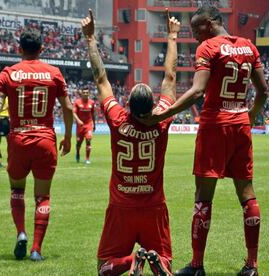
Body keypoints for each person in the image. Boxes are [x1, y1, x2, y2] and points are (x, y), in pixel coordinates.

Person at [141, 5, 268, 276]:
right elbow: (263, 91)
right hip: (240, 124)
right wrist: (251, 116)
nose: (195, 35)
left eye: (196, 29)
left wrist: (164, 113)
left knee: (203, 197)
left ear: (210, 24)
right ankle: (252, 265)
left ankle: (197, 266)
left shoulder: (208, 48)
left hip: (215, 125)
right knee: (247, 194)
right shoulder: (249, 47)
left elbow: (198, 91)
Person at [81, 9, 180, 276]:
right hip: (153, 206)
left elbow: (101, 79)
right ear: (153, 105)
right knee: (166, 263)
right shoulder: (161, 121)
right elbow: (170, 78)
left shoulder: (117, 119)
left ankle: (129, 262)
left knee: (104, 267)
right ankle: (158, 263)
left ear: (129, 105)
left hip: (121, 207)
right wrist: (172, 36)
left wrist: (91, 39)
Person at [0, 28, 73, 262]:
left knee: (17, 190)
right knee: (42, 197)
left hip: (18, 139)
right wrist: (67, 137)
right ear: (42, 49)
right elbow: (68, 107)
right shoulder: (54, 72)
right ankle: (36, 249)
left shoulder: (8, 73)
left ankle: (21, 233)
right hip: (45, 139)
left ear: (19, 49)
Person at [73, 88, 96, 164]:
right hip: (80, 126)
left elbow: (93, 114)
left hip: (88, 125)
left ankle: (87, 159)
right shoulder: (77, 102)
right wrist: (78, 120)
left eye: (87, 92)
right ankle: (77, 153)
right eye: (84, 92)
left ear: (89, 94)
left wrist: (94, 124)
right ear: (82, 94)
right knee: (79, 142)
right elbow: (74, 113)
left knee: (88, 140)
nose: (85, 94)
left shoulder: (92, 102)